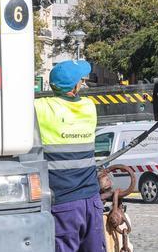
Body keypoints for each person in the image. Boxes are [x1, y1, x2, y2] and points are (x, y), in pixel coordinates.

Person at [34, 60, 105, 252]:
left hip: (64, 203)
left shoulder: (42, 109)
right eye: (81, 80)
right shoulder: (89, 108)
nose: (83, 83)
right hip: (91, 199)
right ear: (74, 87)